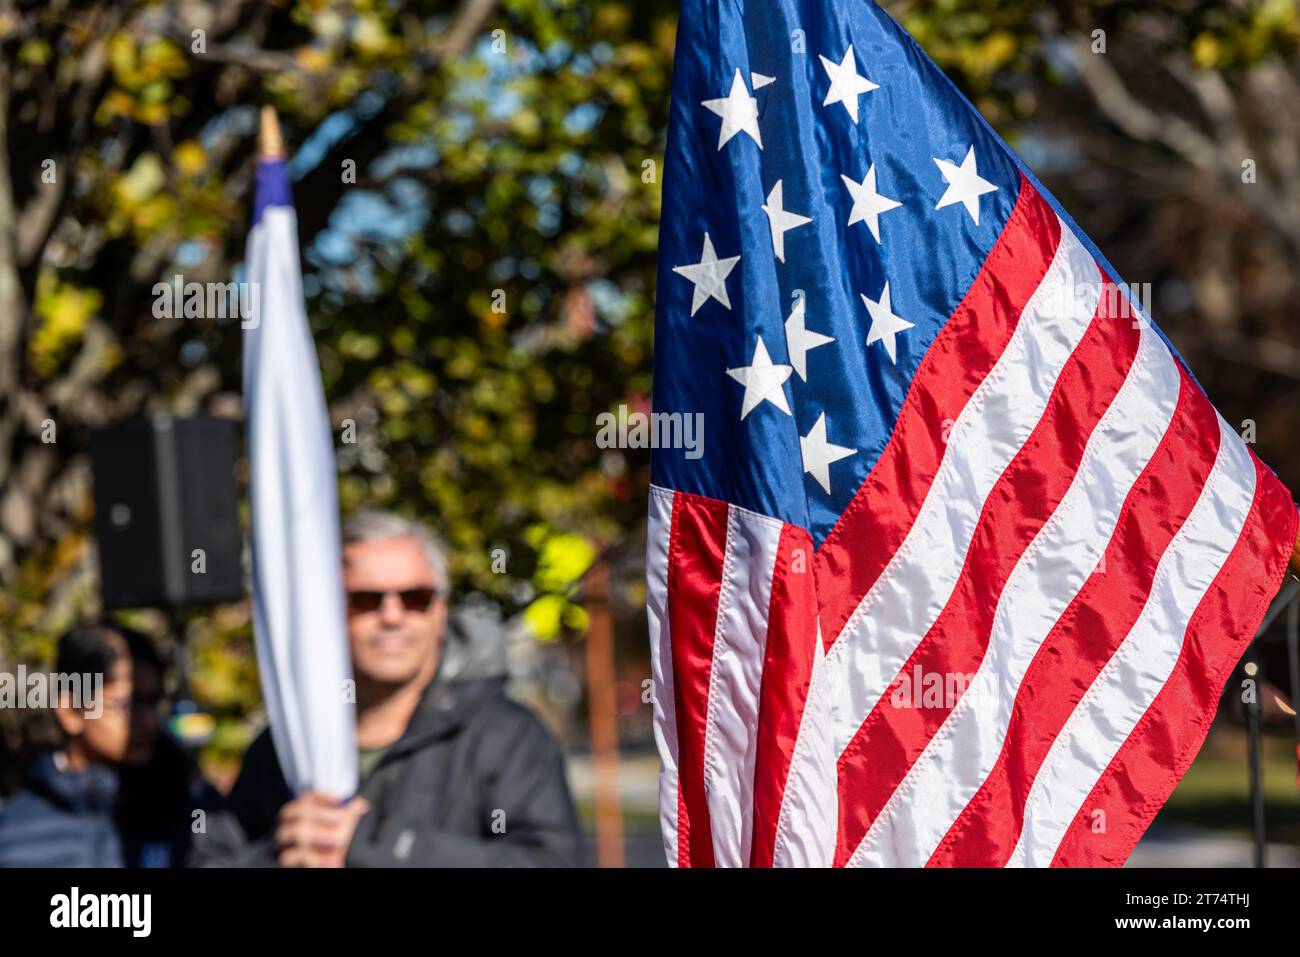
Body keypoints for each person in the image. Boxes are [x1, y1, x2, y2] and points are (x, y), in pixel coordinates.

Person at [193, 510, 581, 867]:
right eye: (365, 600)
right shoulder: (283, 746)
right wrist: (285, 853)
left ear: (440, 611)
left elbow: (553, 863)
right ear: (328, 612)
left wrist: (378, 843)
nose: (392, 616)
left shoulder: (507, 737)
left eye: (415, 598)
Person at [0, 625, 137, 867]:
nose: (144, 720)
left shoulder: (185, 811)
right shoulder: (15, 835)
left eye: (152, 702)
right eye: (125, 705)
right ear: (71, 711)